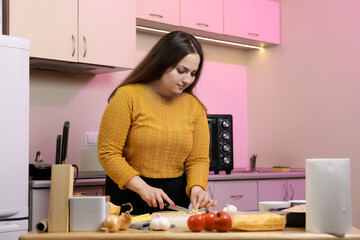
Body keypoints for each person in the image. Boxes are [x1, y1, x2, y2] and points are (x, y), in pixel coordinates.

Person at [97, 31, 217, 215]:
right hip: (130, 195)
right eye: (181, 71)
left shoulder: (194, 107)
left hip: (175, 198)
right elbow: (108, 153)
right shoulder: (128, 96)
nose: (188, 80)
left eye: (193, 73)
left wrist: (197, 189)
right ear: (162, 62)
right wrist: (143, 188)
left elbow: (198, 159)